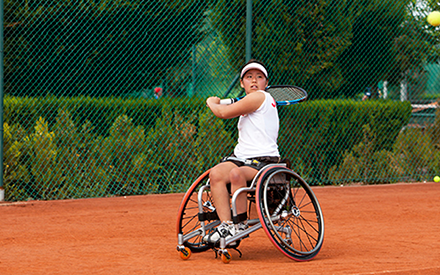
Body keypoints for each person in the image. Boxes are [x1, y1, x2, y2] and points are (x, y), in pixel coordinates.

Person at [203, 59, 281, 244]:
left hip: (264, 161)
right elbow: (228, 110)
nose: (254, 81)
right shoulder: (248, 103)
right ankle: (227, 226)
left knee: (236, 174)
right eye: (249, 77)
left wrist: (211, 102)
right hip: (241, 158)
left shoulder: (260, 97)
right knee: (215, 174)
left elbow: (223, 113)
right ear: (242, 83)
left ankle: (240, 225)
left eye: (259, 77)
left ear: (266, 84)